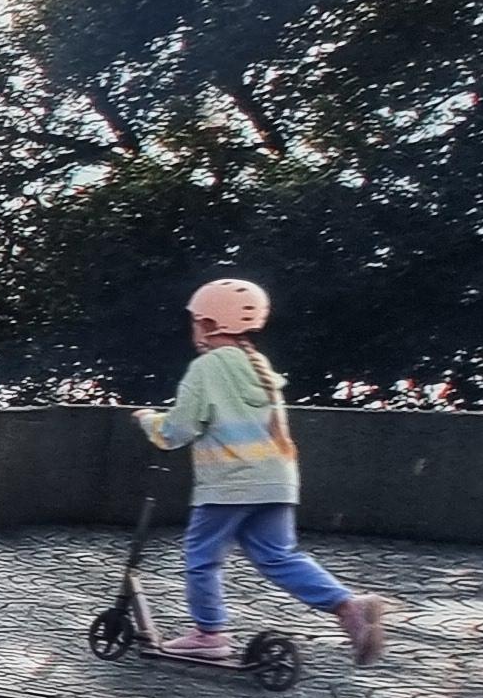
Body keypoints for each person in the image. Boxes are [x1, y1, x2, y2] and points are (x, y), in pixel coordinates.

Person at [137, 277, 385, 663]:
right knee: (278, 556)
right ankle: (348, 606)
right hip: (277, 480)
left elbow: (177, 430)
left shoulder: (207, 368)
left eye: (195, 321)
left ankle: (209, 633)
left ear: (208, 323)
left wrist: (148, 420)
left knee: (201, 558)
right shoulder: (261, 368)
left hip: (230, 484)